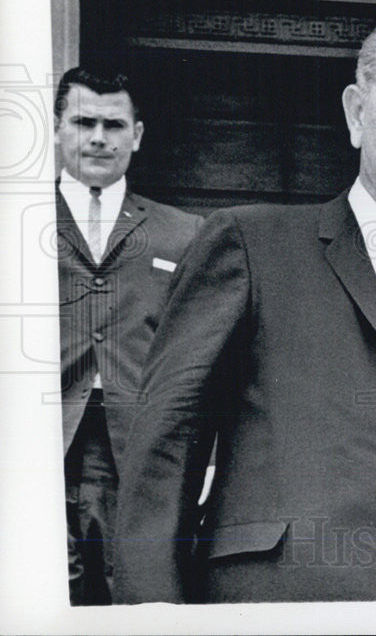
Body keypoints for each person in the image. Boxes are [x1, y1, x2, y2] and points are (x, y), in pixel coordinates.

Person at [114, 19, 376, 604]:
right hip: (271, 601)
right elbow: (168, 440)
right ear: (355, 113)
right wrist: (150, 611)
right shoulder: (249, 244)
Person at [54, 67, 203, 605]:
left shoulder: (185, 233)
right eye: (83, 121)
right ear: (56, 129)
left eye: (113, 124)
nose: (98, 137)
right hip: (34, 444)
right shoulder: (17, 221)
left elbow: (202, 353)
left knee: (138, 590)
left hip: (141, 446)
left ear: (136, 135)